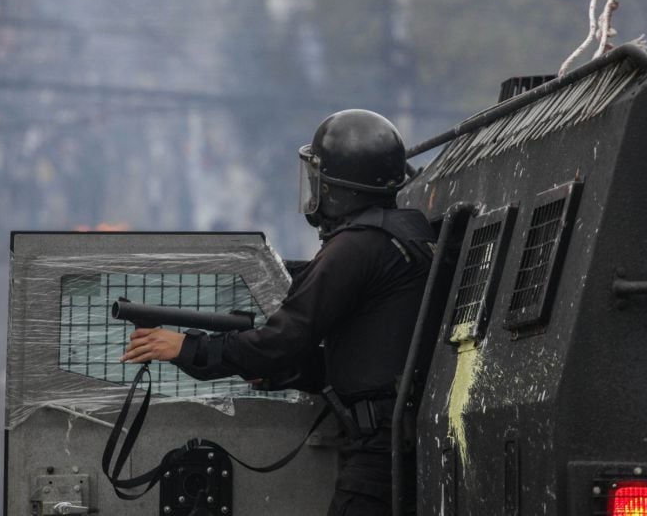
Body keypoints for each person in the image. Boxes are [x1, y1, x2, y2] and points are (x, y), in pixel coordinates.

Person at [122, 109, 436, 516]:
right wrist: (285, 371)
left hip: (380, 449)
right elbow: (370, 355)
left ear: (338, 186)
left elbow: (282, 339)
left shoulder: (357, 248)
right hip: (395, 440)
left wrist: (185, 348)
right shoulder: (400, 237)